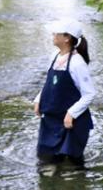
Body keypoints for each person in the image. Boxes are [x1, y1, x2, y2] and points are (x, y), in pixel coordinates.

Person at [33, 19, 95, 169]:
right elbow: (49, 82)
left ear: (67, 38)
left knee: (73, 163)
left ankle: (74, 185)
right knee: (46, 159)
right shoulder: (54, 56)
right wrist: (38, 100)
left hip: (71, 123)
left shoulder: (77, 62)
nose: (53, 34)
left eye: (57, 32)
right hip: (52, 118)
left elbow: (89, 93)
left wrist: (72, 113)